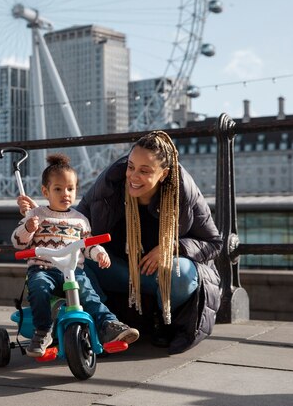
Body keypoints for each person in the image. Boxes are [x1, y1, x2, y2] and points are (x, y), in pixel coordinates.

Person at [18, 131, 222, 354]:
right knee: (83, 261)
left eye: (145, 171)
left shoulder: (183, 191)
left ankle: (162, 319)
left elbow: (213, 242)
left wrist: (170, 248)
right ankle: (101, 324)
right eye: (131, 166)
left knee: (179, 272)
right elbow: (73, 226)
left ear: (163, 174)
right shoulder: (111, 183)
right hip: (120, 269)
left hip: (162, 274)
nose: (133, 176)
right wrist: (37, 214)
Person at [12, 154, 139, 358]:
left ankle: (109, 326)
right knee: (38, 288)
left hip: (72, 271)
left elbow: (87, 243)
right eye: (58, 189)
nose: (66, 194)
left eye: (70, 189)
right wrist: (28, 227)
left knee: (89, 294)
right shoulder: (37, 215)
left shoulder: (80, 220)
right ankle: (43, 331)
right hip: (43, 268)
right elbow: (18, 242)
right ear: (45, 191)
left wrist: (99, 253)